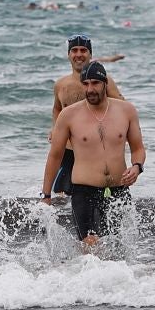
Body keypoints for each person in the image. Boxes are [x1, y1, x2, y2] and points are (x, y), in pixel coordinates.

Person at [41, 61, 146, 246]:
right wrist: (46, 195)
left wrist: (137, 167)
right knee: (91, 246)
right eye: (86, 84)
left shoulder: (126, 110)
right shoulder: (69, 115)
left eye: (95, 83)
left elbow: (138, 148)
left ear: (105, 83)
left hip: (118, 190)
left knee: (118, 246)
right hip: (83, 191)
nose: (90, 89)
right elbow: (55, 156)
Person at [50, 34, 124, 196]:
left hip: (93, 150)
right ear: (68, 55)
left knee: (99, 194)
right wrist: (55, 128)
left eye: (83, 50)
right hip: (69, 150)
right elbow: (57, 109)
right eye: (74, 50)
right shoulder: (60, 85)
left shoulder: (104, 81)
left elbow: (121, 108)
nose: (79, 54)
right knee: (61, 196)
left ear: (90, 54)